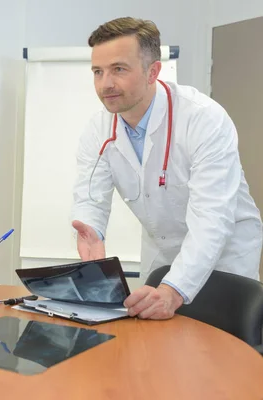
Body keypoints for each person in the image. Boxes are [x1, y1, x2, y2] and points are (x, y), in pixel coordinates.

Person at [71, 17, 262, 320]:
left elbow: (212, 220)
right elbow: (90, 198)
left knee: (216, 354)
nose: (105, 83)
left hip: (224, 256)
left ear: (153, 71)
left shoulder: (202, 119)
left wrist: (174, 290)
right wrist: (91, 230)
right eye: (98, 71)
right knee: (159, 353)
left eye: (118, 69)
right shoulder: (98, 130)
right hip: (161, 253)